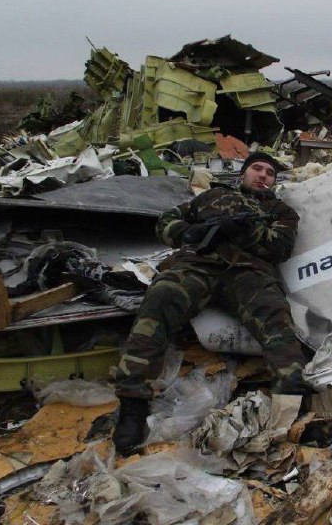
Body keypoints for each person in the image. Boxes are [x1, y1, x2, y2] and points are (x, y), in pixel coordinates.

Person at [113, 152, 309, 451]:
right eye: (257, 168)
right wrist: (191, 232)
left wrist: (246, 231)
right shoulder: (212, 197)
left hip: (248, 272)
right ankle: (132, 405)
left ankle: (291, 402)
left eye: (270, 173)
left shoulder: (281, 212)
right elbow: (165, 223)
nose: (262, 175)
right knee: (161, 296)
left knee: (275, 316)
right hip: (198, 265)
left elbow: (280, 248)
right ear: (243, 173)